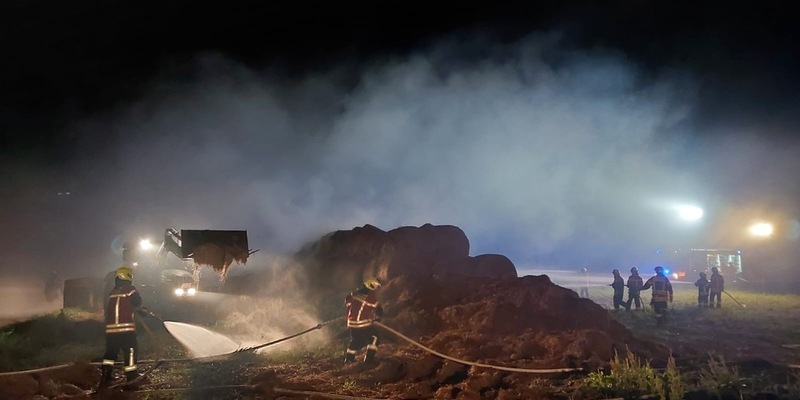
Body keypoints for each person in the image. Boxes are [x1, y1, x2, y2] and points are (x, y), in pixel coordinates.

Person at [100, 266, 148, 388]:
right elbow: (137, 302)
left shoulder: (113, 292)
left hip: (111, 330)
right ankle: (132, 376)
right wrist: (141, 310)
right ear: (127, 276)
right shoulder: (130, 289)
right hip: (126, 329)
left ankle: (106, 377)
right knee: (131, 351)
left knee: (110, 354)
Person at [344, 277, 384, 364]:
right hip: (361, 324)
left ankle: (348, 360)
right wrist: (377, 318)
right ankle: (369, 360)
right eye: (377, 288)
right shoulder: (370, 297)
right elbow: (379, 310)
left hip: (351, 323)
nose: (377, 290)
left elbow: (347, 303)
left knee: (355, 341)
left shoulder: (353, 294)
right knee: (374, 337)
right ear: (372, 286)